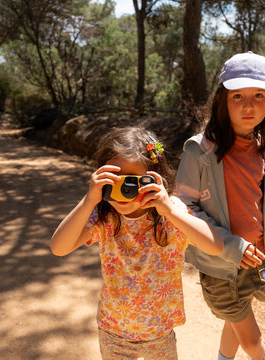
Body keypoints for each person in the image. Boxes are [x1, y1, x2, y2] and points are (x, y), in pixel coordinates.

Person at [175, 52, 265, 360]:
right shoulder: (200, 151)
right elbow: (182, 209)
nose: (249, 106)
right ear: (223, 100)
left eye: (259, 95)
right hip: (222, 264)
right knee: (252, 342)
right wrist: (230, 245)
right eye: (238, 96)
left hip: (258, 260)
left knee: (237, 316)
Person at [50, 127, 223, 360]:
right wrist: (89, 199)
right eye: (114, 182)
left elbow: (216, 246)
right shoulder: (104, 218)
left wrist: (170, 209)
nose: (123, 192)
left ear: (155, 179)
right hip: (113, 333)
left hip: (159, 334)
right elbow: (59, 247)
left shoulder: (170, 214)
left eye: (132, 183)